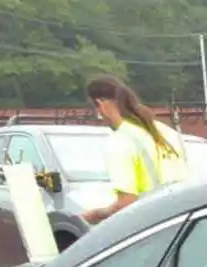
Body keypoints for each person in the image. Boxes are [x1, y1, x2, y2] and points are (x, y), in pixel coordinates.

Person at [80, 75, 188, 223]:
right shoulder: (164, 131)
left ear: (101, 105)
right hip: (184, 220)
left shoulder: (121, 141)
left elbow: (126, 204)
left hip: (151, 225)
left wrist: (97, 214)